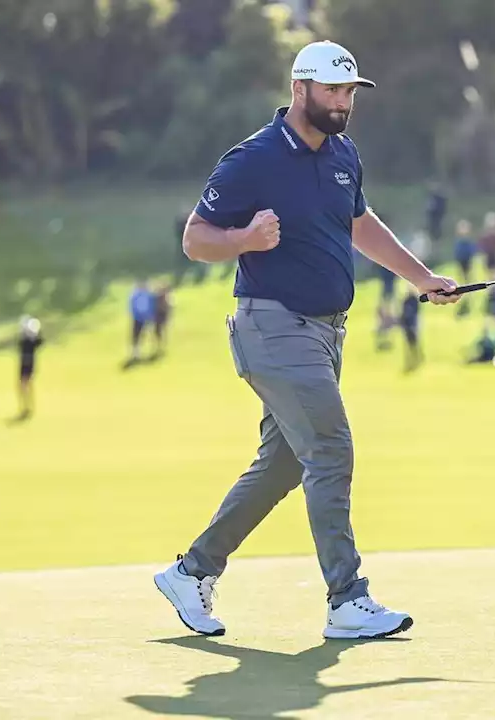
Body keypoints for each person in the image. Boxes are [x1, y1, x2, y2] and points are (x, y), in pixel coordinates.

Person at [154, 41, 459, 641]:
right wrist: (243, 237)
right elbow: (195, 239)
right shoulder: (254, 158)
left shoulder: (343, 155)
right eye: (333, 91)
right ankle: (347, 598)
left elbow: (359, 223)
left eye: (349, 93)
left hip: (324, 333)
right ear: (301, 90)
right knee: (331, 449)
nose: (344, 103)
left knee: (284, 464)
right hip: (272, 325)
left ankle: (191, 572)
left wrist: (421, 278)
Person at [17, 316, 44, 419]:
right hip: (25, 363)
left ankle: (28, 407)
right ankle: (26, 406)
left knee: (26, 385)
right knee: (24, 386)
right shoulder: (26, 340)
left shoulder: (30, 341)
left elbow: (39, 341)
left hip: (28, 363)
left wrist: (34, 334)